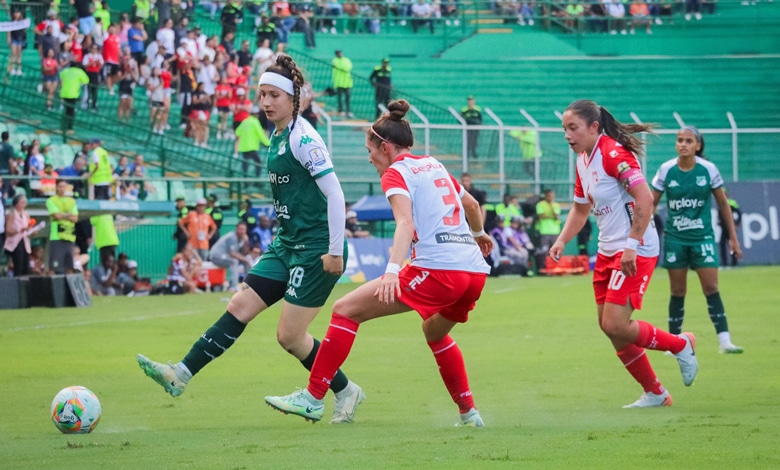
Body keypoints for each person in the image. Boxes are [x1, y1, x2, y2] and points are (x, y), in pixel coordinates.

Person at [137, 54, 365, 424]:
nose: (266, 102)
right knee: (238, 307)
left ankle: (343, 390)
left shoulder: (304, 137)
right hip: (287, 243)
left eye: (274, 95)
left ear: (295, 99)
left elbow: (336, 194)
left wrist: (335, 251)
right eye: (262, 95)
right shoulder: (276, 135)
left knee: (290, 337)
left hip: (316, 248)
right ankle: (180, 374)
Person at [264, 99, 494, 426]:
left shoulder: (395, 173)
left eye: (369, 149)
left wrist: (391, 271)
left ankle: (313, 398)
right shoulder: (433, 164)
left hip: (440, 270)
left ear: (385, 147)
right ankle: (469, 414)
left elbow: (405, 223)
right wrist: (480, 233)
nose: (369, 157)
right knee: (434, 332)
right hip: (473, 273)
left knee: (345, 310)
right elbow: (470, 204)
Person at [549, 100, 698, 409]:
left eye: (572, 128)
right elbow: (580, 208)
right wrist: (562, 240)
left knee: (617, 324)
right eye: (564, 129)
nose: (567, 135)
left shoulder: (613, 154)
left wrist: (632, 243)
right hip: (608, 250)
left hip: (635, 248)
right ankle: (655, 393)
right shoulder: (582, 160)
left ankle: (681, 344)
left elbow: (644, 197)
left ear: (593, 127)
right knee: (609, 328)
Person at [650, 126, 744, 354]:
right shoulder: (666, 170)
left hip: (702, 237)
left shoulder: (708, 170)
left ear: (697, 146)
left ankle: (725, 342)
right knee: (677, 291)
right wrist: (646, 231)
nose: (683, 144)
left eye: (688, 141)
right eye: (679, 140)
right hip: (675, 239)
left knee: (711, 287)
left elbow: (723, 204)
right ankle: (673, 344)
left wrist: (733, 237)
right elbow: (650, 202)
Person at [47, 179, 79, 274]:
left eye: (64, 186)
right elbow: (56, 215)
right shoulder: (51, 200)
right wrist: (68, 215)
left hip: (69, 236)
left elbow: (75, 218)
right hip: (57, 237)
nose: (62, 189)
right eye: (60, 186)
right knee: (54, 265)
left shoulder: (72, 201)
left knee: (69, 266)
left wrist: (63, 215)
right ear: (56, 187)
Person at [210, 221, 253, 290]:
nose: (242, 231)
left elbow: (245, 253)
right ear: (237, 229)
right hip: (216, 257)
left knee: (245, 262)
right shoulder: (232, 237)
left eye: (244, 229)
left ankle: (247, 284)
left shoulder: (242, 238)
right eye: (240, 229)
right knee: (234, 261)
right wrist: (246, 259)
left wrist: (246, 242)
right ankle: (234, 287)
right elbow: (232, 254)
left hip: (226, 257)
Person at [234, 113, 270, 179]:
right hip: (251, 147)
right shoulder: (255, 122)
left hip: (244, 148)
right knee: (258, 163)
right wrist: (268, 144)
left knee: (245, 165)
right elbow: (261, 134)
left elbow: (237, 132)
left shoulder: (244, 121)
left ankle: (245, 182)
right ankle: (256, 180)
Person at [4, 194, 32, 277]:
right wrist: (19, 230)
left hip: (24, 240)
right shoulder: (11, 215)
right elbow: (8, 230)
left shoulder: (26, 214)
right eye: (22, 202)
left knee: (26, 265)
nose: (24, 204)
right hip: (15, 242)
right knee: (18, 265)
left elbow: (28, 227)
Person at [535, 188, 561, 274]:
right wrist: (552, 216)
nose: (550, 197)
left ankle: (556, 268)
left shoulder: (556, 205)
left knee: (556, 251)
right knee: (545, 250)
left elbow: (556, 215)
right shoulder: (540, 204)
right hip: (545, 231)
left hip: (555, 231)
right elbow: (542, 216)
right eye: (549, 196)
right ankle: (544, 269)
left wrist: (551, 208)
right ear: (545, 196)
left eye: (552, 196)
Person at [59, 61, 90, 132]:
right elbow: (86, 81)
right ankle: (70, 128)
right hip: (73, 94)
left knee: (66, 110)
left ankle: (63, 126)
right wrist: (79, 83)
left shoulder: (65, 71)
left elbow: (61, 77)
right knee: (71, 111)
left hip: (64, 93)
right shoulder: (79, 72)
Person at [719, 187, 741, 268]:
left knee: (732, 244)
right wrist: (720, 222)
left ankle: (734, 263)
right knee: (722, 245)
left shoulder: (731, 203)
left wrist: (737, 223)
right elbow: (721, 215)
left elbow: (739, 213)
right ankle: (724, 263)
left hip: (730, 227)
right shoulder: (720, 202)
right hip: (723, 227)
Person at [332, 50, 353, 117]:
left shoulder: (347, 60)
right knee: (339, 98)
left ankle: (348, 110)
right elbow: (340, 67)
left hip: (347, 83)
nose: (339, 54)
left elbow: (348, 67)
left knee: (347, 98)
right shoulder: (335, 60)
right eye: (338, 53)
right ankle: (341, 110)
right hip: (339, 83)